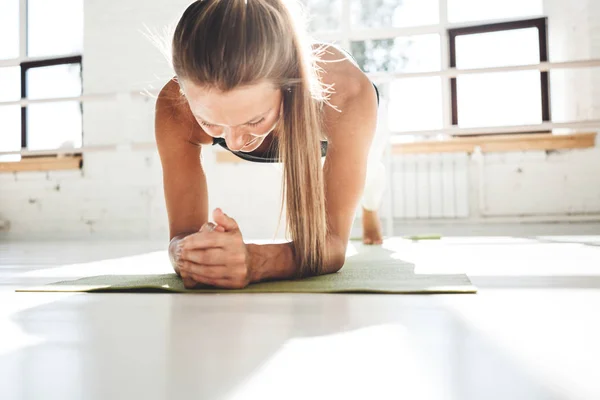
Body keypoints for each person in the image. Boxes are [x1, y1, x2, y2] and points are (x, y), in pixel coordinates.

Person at [154, 0, 387, 289]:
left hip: (336, 117)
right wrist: (191, 255)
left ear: (286, 86)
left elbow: (334, 245)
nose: (235, 141)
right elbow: (181, 237)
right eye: (210, 123)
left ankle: (370, 210)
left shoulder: (347, 94)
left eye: (253, 121)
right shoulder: (175, 107)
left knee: (372, 178)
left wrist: (256, 261)